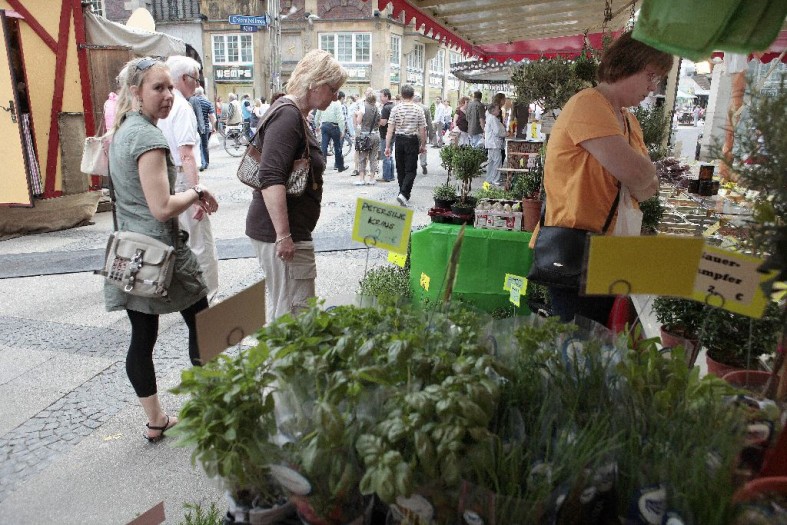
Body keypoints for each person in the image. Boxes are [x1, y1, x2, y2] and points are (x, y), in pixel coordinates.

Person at [106, 56, 218, 442]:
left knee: (142, 338)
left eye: (170, 87)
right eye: (158, 88)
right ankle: (212, 408)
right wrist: (196, 191)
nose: (168, 95)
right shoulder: (149, 138)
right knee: (203, 324)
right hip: (162, 253)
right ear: (135, 92)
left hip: (131, 253)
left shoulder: (123, 130)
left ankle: (155, 420)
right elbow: (162, 207)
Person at [531, 31, 671, 325]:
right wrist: (641, 173)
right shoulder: (589, 104)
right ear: (628, 63)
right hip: (577, 249)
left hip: (609, 252)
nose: (653, 86)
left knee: (598, 338)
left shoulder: (628, 119)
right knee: (579, 341)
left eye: (658, 79)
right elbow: (640, 174)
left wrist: (641, 174)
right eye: (651, 75)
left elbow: (647, 189)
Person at [245, 49, 346, 321]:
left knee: (287, 311)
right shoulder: (288, 115)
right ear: (315, 83)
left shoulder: (294, 113)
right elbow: (270, 177)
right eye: (333, 89)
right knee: (294, 317)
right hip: (280, 233)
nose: (335, 96)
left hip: (287, 229)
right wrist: (283, 235)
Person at [157, 56, 220, 302]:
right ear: (184, 78)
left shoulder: (161, 106)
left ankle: (181, 295)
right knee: (199, 242)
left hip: (165, 178)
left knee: (176, 241)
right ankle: (207, 298)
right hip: (182, 178)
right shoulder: (182, 107)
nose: (197, 83)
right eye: (196, 78)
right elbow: (187, 155)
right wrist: (197, 193)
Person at [385, 84, 426, 207]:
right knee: (411, 170)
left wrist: (387, 146)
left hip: (399, 140)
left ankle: (403, 193)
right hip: (412, 140)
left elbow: (390, 129)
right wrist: (423, 144)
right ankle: (403, 194)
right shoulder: (418, 109)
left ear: (402, 95)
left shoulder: (395, 109)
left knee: (401, 168)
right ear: (413, 95)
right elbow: (422, 130)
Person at [314, 90, 347, 172]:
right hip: (334, 126)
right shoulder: (337, 103)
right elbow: (340, 117)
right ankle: (340, 166)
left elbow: (317, 115)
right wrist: (342, 129)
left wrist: (317, 125)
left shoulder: (323, 101)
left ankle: (322, 166)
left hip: (324, 126)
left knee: (324, 146)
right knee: (337, 146)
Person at [354, 91, 380, 186]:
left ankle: (361, 179)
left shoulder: (363, 107)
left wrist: (357, 115)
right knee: (374, 157)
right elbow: (379, 122)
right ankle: (372, 178)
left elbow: (358, 121)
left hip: (365, 135)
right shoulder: (377, 108)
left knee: (362, 157)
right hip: (376, 135)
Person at [192, 86, 216, 171]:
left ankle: (199, 162)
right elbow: (213, 117)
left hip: (194, 127)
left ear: (195, 93)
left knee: (196, 145)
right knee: (204, 146)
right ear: (202, 93)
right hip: (205, 127)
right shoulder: (207, 102)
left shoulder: (192, 101)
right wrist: (213, 127)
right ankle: (205, 163)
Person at [484, 103, 508, 186]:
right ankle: (495, 179)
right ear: (493, 110)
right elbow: (497, 132)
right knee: (497, 161)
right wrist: (505, 134)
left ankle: (489, 178)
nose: (499, 110)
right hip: (494, 143)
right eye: (498, 109)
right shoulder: (493, 118)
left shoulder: (490, 118)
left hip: (491, 143)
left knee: (491, 161)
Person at [378, 88, 395, 182]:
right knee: (390, 155)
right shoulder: (393, 106)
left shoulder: (385, 108)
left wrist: (377, 120)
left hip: (385, 134)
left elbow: (383, 122)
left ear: (386, 96)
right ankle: (391, 175)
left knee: (386, 155)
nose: (380, 98)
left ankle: (386, 176)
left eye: (381, 96)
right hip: (393, 133)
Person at [413, 94, 432, 174]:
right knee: (423, 147)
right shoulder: (426, 108)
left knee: (413, 149)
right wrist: (431, 134)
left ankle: (413, 165)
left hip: (413, 132)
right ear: (421, 99)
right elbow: (429, 122)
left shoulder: (411, 108)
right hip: (423, 132)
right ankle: (423, 163)